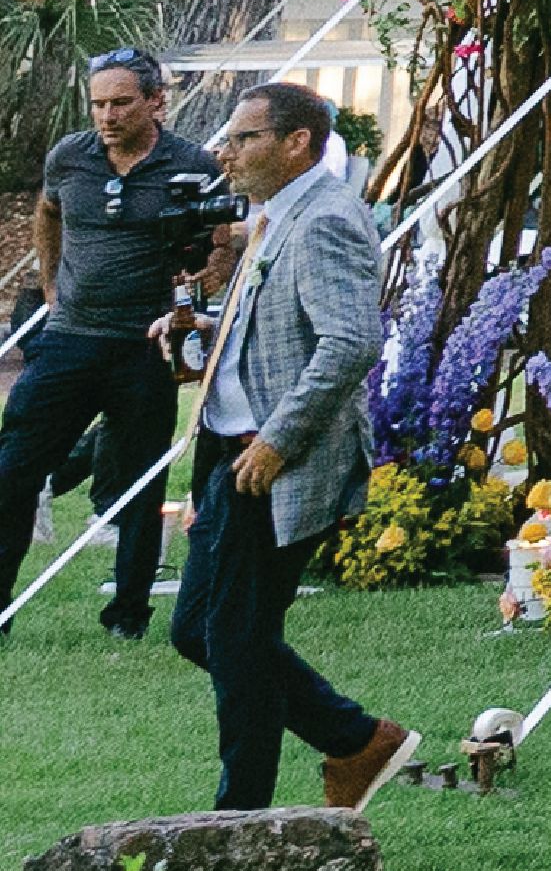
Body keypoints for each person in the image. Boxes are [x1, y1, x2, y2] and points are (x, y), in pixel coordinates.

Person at [170, 79, 403, 810]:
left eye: (242, 139)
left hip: (270, 462)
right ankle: (354, 737)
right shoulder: (277, 215)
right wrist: (204, 332)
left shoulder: (326, 218)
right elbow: (281, 326)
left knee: (236, 637)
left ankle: (240, 817)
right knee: (199, 630)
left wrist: (277, 441)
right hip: (227, 450)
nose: (224, 153)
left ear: (295, 142)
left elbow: (350, 343)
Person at [3, 49, 228, 640]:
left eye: (120, 102)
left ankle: (127, 613)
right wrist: (51, 284)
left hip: (144, 346)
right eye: (98, 103)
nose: (107, 115)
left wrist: (205, 277)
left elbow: (224, 241)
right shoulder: (70, 157)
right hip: (71, 339)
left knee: (139, 482)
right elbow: (48, 213)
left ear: (155, 101)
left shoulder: (192, 165)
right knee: (12, 471)